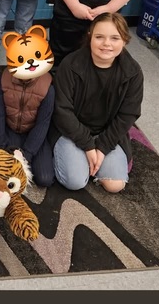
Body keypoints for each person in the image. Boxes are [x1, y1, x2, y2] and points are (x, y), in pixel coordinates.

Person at [49, 13, 142, 193]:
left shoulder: (133, 72)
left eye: (115, 38)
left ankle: (93, 162)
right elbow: (62, 110)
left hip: (105, 132)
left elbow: (127, 115)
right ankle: (74, 159)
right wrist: (88, 146)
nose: (106, 44)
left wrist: (103, 147)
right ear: (90, 37)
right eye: (99, 37)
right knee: (75, 182)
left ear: (124, 40)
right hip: (70, 131)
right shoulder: (70, 65)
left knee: (115, 185)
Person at [0, 25, 56, 187]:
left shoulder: (48, 86)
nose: (30, 63)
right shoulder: (2, 80)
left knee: (45, 178)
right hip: (10, 130)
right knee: (3, 172)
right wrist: (2, 146)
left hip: (34, 134)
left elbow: (43, 123)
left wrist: (27, 153)